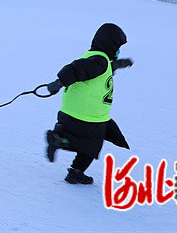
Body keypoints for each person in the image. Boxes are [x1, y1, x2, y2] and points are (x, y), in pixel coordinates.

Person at [44, 23, 133, 184]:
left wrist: (116, 66)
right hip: (89, 116)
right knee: (91, 146)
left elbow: (94, 73)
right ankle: (74, 169)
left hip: (70, 113)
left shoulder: (97, 58)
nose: (118, 51)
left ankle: (60, 140)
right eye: (117, 46)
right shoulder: (100, 60)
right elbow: (76, 69)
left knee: (82, 141)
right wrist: (59, 82)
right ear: (110, 44)